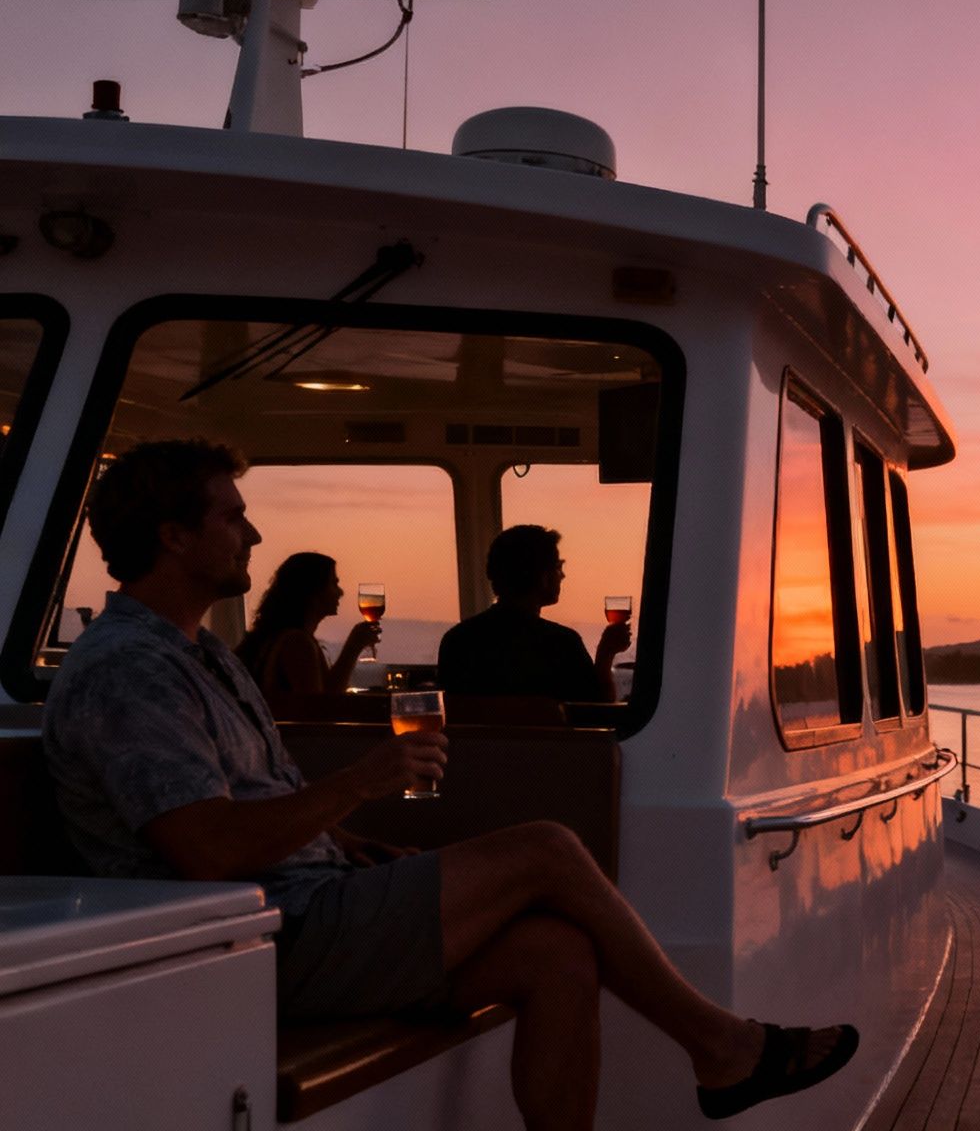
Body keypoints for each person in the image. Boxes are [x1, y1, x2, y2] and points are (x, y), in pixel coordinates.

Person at [41, 441, 855, 1128]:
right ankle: (723, 1048)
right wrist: (365, 780)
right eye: (231, 515)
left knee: (557, 952)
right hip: (249, 945)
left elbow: (243, 803)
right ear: (174, 536)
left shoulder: (203, 655)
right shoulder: (130, 671)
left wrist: (345, 842)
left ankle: (713, 1060)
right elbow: (206, 850)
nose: (253, 532)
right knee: (547, 848)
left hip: (303, 908)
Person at [436, 525, 629, 704]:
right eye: (558, 566)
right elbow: (598, 712)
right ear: (543, 576)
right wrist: (605, 654)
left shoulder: (456, 640)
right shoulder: (562, 644)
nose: (563, 575)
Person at [236, 551, 380, 698]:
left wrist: (354, 646)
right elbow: (320, 708)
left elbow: (327, 691)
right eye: (334, 583)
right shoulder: (297, 643)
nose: (340, 592)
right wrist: (352, 647)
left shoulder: (284, 637)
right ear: (313, 590)